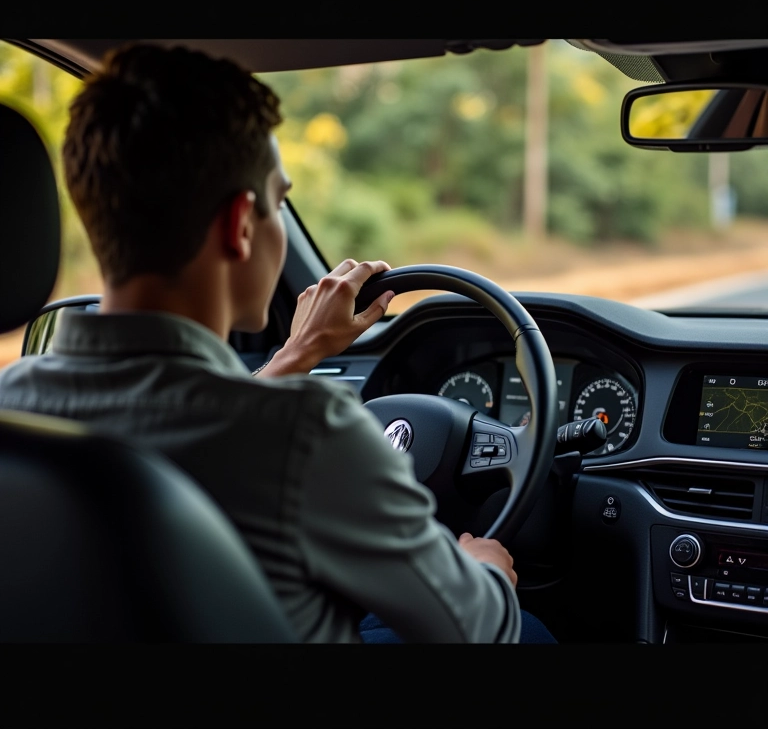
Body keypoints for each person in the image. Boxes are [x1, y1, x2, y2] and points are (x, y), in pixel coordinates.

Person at [0, 43, 555, 644]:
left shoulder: (15, 407)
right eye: (276, 202)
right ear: (241, 224)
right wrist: (486, 572)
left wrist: (294, 358)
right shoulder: (308, 436)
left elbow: (169, 431)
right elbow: (473, 628)